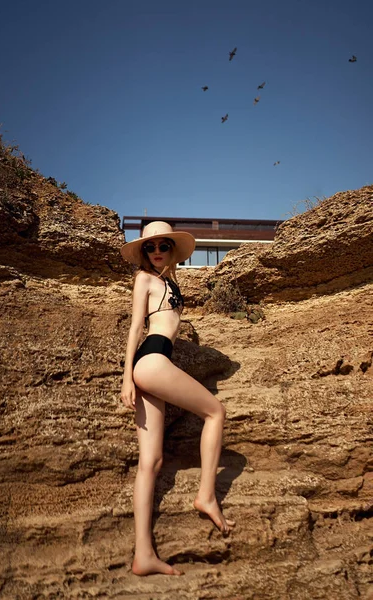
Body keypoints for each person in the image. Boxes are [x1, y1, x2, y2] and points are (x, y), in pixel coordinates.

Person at [120, 221, 234, 577]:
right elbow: (136, 327)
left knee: (150, 462)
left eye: (163, 246)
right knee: (215, 412)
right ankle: (206, 496)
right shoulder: (145, 280)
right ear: (142, 252)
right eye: (150, 247)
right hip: (150, 361)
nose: (156, 252)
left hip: (154, 366)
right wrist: (126, 377)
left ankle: (144, 556)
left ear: (171, 251)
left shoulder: (170, 282)